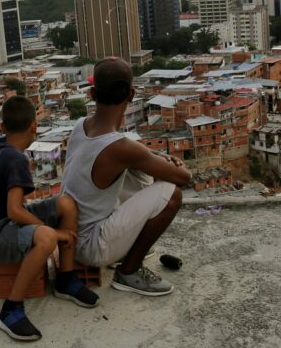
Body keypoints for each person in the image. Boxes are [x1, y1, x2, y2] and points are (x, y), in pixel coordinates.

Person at [0, 95, 99, 342]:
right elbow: (14, 212)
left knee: (66, 204)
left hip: (4, 223)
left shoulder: (2, 145)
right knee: (48, 237)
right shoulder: (16, 158)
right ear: (34, 127)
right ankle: (10, 310)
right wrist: (56, 233)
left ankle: (65, 278)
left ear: (3, 128)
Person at [62, 57, 191, 296]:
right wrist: (171, 163)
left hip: (69, 238)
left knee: (138, 161)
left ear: (92, 93)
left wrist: (155, 157)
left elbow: (131, 152)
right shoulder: (120, 148)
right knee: (171, 194)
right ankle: (129, 270)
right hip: (91, 247)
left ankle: (128, 247)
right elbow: (183, 178)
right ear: (131, 95)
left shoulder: (81, 125)